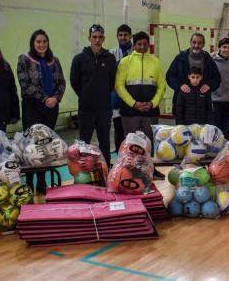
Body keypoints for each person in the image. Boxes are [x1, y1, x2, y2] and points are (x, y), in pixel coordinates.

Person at [17, 29, 67, 194]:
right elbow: (25, 85)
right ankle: (29, 181)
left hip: (51, 107)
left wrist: (55, 98)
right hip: (33, 106)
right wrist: (45, 98)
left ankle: (42, 181)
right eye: (38, 42)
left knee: (46, 145)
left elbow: (61, 83)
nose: (41, 44)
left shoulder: (55, 60)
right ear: (33, 43)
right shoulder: (24, 59)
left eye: (44, 42)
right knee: (31, 146)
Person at [115, 31, 166, 179]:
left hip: (150, 111)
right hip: (130, 111)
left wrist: (152, 103)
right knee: (130, 144)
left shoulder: (155, 62)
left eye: (145, 44)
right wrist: (134, 103)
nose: (142, 46)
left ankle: (150, 171)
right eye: (139, 44)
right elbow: (119, 86)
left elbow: (161, 86)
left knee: (148, 143)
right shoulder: (125, 62)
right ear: (134, 45)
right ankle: (129, 172)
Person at [70, 24, 116, 166]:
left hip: (104, 109)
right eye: (94, 37)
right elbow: (74, 81)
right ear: (89, 38)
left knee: (105, 142)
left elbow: (111, 82)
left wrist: (102, 95)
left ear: (104, 39)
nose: (97, 40)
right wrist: (85, 96)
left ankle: (106, 169)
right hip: (86, 109)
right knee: (84, 143)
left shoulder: (110, 58)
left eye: (100, 37)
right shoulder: (79, 59)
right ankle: (82, 171)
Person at [166, 33, 220, 121]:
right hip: (182, 105)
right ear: (190, 42)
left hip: (202, 107)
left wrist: (209, 85)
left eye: (199, 43)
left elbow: (216, 78)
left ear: (203, 44)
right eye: (194, 42)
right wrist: (180, 86)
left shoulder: (208, 59)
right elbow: (170, 76)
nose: (196, 45)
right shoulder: (180, 58)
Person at [109, 24, 133, 153]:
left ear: (130, 36)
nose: (123, 37)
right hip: (116, 98)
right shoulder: (111, 53)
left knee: (132, 130)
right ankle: (119, 158)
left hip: (133, 99)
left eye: (125, 35)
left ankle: (132, 156)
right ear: (117, 36)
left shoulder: (136, 53)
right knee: (118, 129)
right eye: (120, 35)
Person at [211, 37, 229, 140]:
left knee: (227, 131)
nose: (226, 50)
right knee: (216, 130)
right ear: (219, 48)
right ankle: (215, 153)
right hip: (215, 101)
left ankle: (226, 153)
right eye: (224, 47)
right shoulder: (211, 61)